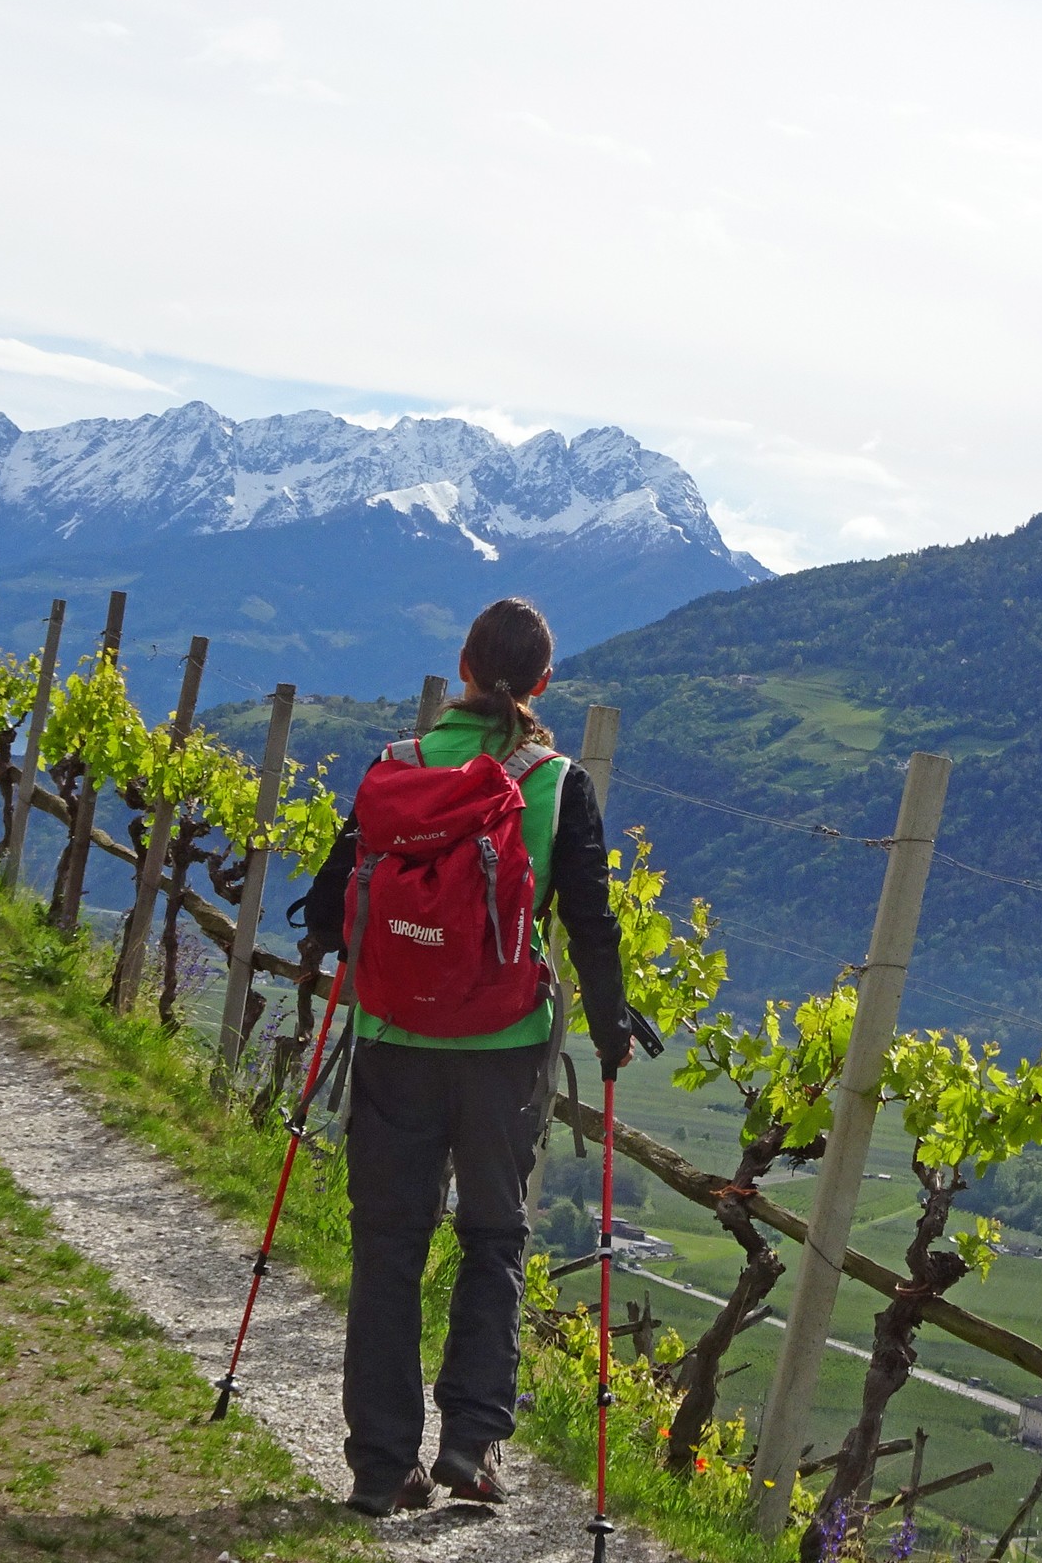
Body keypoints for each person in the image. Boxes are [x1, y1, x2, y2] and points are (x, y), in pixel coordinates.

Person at [301, 596, 632, 1516]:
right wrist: (610, 1029)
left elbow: (331, 912)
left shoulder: (394, 768)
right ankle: (473, 1445)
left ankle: (379, 1465)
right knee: (494, 1239)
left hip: (396, 1043)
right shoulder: (558, 783)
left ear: (461, 665)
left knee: (387, 1245)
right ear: (541, 684)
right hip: (504, 1052)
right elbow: (592, 924)